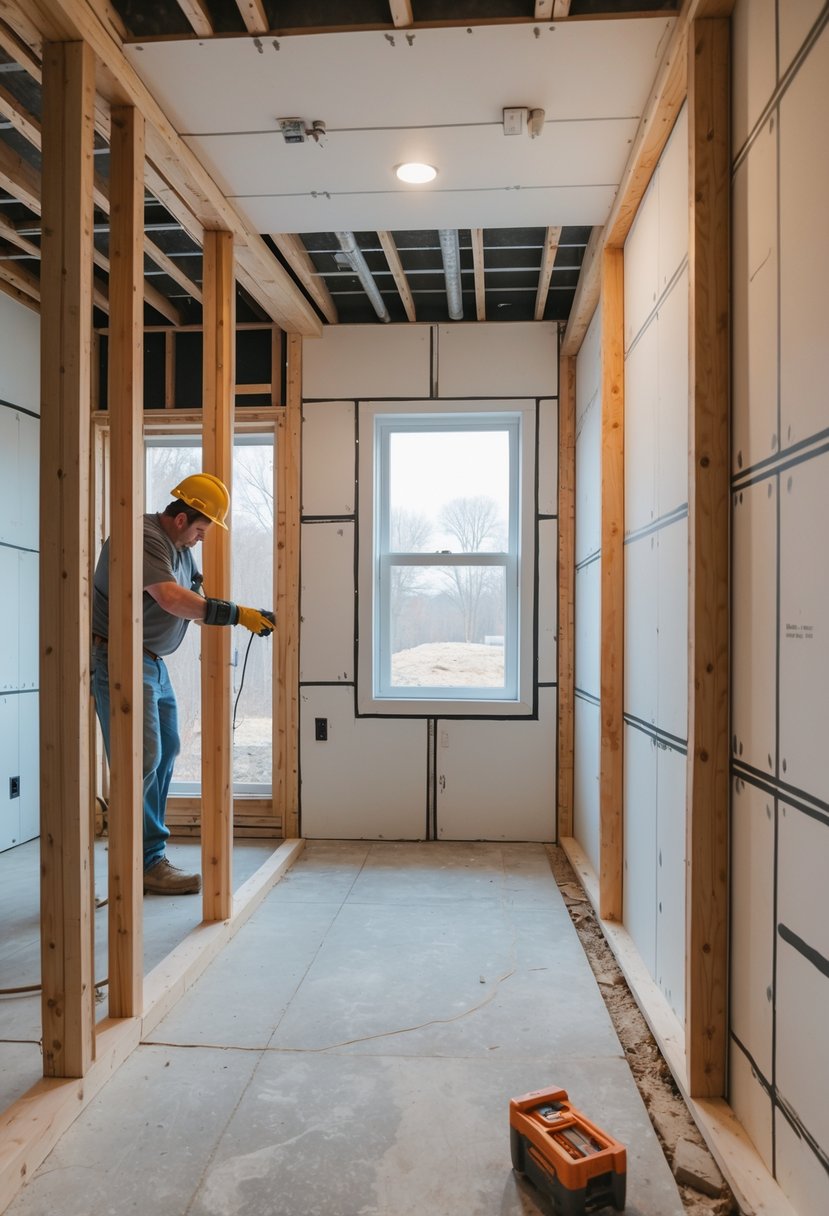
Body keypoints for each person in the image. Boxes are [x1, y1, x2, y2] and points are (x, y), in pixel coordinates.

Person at [91, 473, 274, 895]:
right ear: (180, 518)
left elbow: (191, 600)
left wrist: (236, 612)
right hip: (121, 658)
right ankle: (139, 862)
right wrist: (235, 614)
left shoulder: (178, 548)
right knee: (142, 757)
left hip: (152, 663)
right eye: (200, 529)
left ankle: (147, 857)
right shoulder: (143, 536)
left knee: (167, 748)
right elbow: (171, 598)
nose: (201, 539)